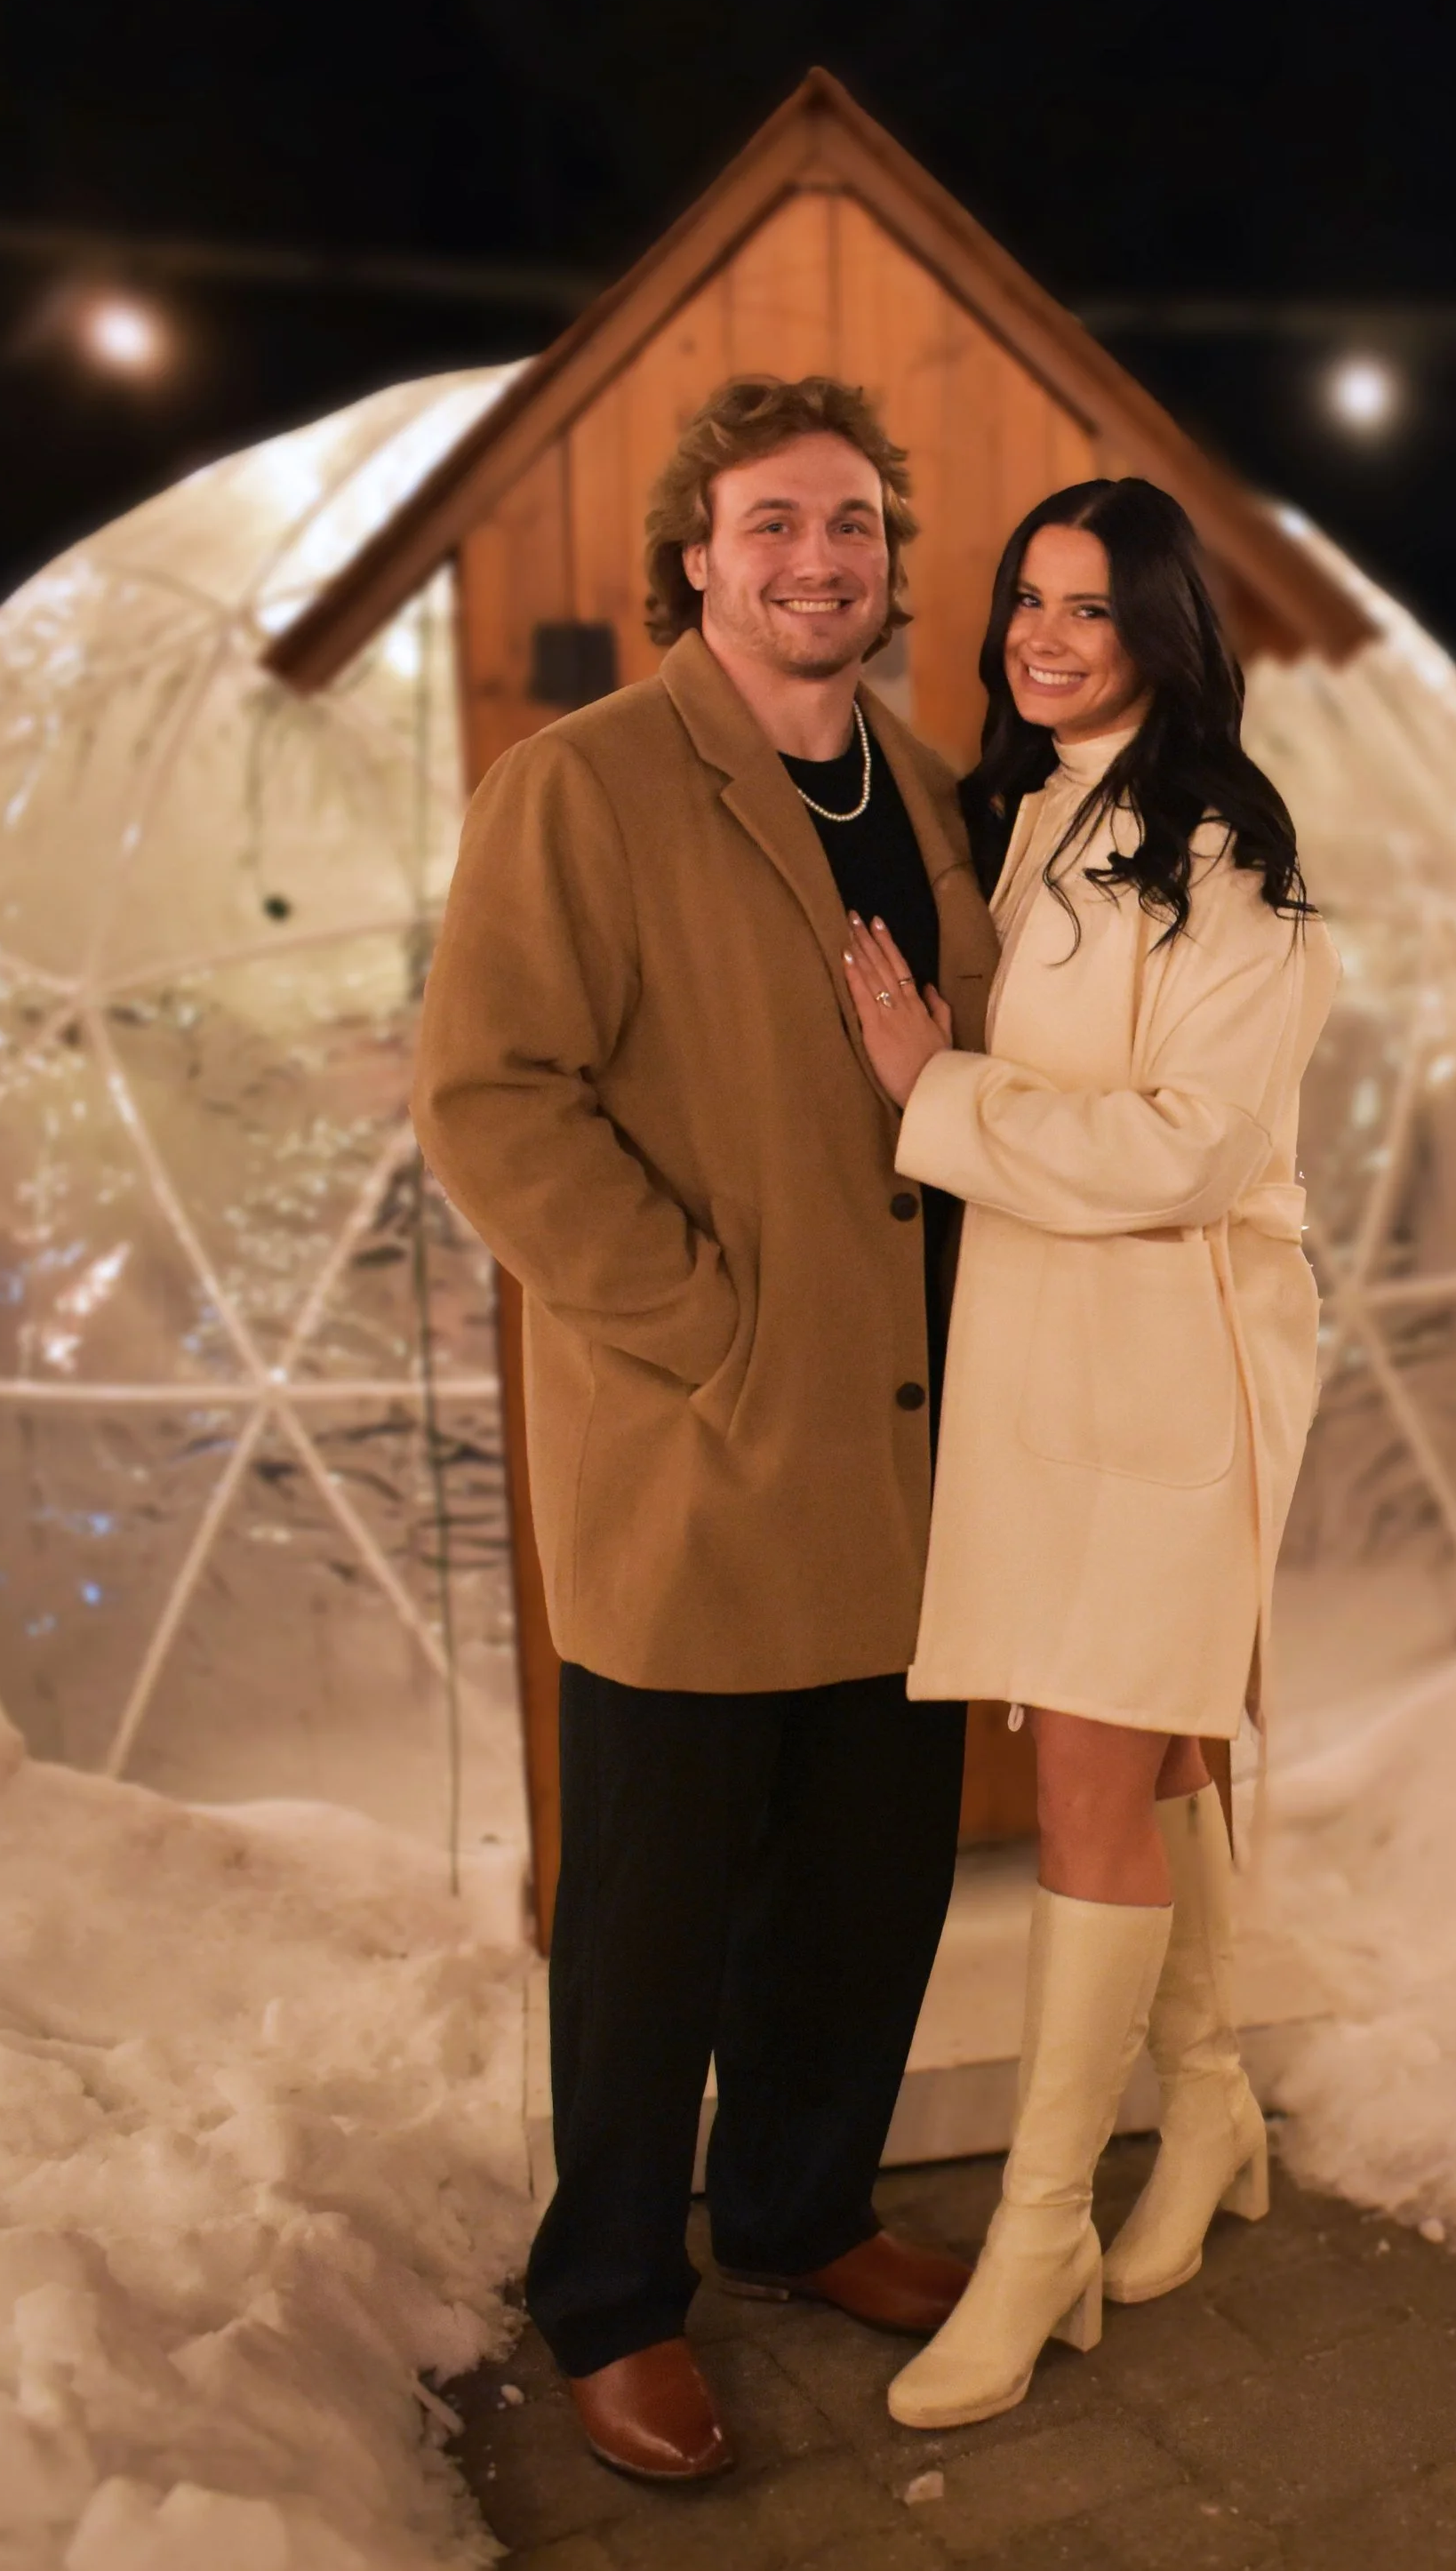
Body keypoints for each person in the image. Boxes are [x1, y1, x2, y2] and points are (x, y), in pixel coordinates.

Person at [412, 374, 1000, 2481]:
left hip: (907, 1453)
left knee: (863, 1886)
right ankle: (608, 2299)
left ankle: (797, 2212)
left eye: (846, 524)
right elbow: (490, 1098)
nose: (812, 561)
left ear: (884, 557)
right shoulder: (583, 786)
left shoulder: (929, 791)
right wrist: (700, 1318)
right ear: (694, 553)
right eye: (769, 525)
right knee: (651, 1921)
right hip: (702, 1446)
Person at [836, 477, 1340, 2432]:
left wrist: (927, 1090)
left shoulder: (1221, 850)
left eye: (1090, 610)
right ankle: (1202, 2101)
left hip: (1170, 1342)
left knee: (1087, 1783)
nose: (1046, 636)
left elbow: (1192, 1149)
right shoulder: (1030, 805)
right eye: (1025, 601)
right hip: (1045, 1331)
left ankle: (1039, 2234)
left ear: (1163, 633)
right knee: (1143, 1730)